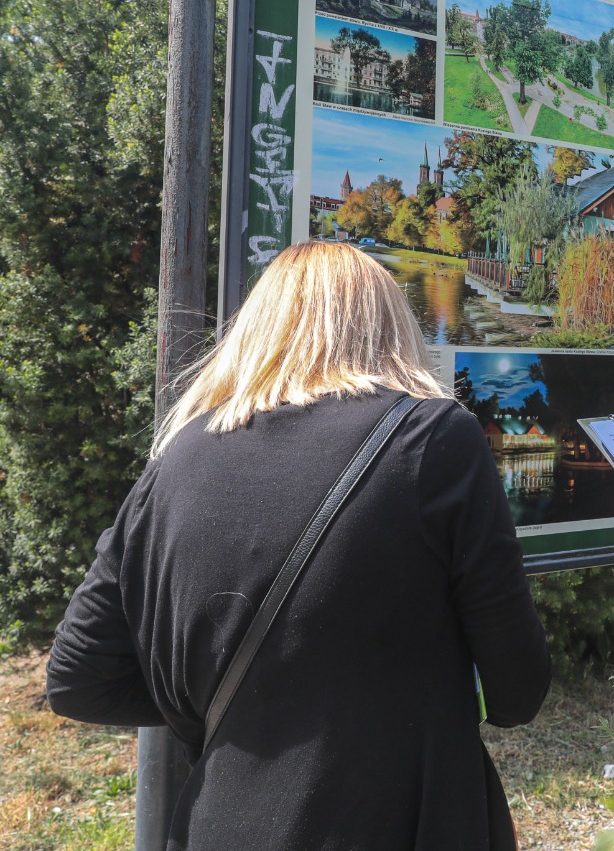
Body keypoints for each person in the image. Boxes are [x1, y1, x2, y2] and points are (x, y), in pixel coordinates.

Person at [46, 241, 550, 851]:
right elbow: (517, 690)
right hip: (402, 819)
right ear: (390, 326)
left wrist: (246, 710)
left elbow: (78, 679)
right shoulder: (434, 437)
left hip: (219, 824)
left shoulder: (177, 457)